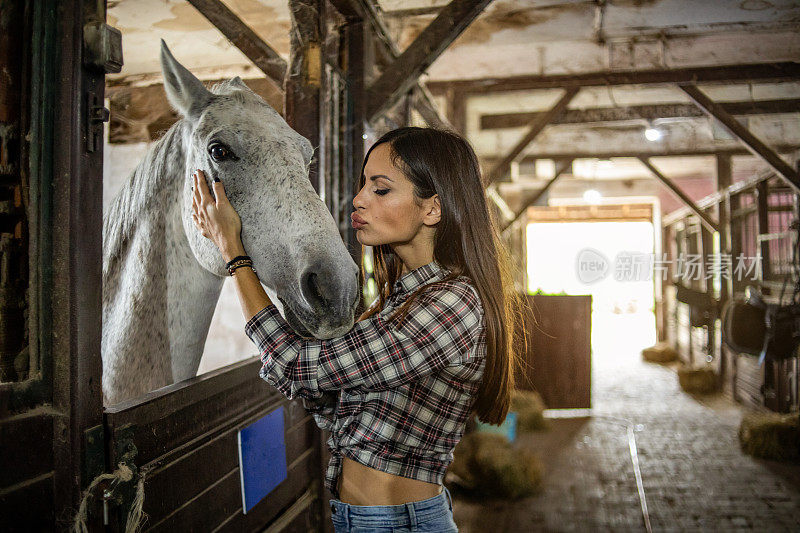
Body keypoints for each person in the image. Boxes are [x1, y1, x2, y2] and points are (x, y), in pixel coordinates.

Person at [191, 126, 524, 532]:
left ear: (432, 209)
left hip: (399, 525)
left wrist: (234, 253)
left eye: (380, 190)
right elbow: (330, 404)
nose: (358, 199)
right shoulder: (397, 303)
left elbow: (295, 365)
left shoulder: (453, 305)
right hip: (364, 520)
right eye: (364, 185)